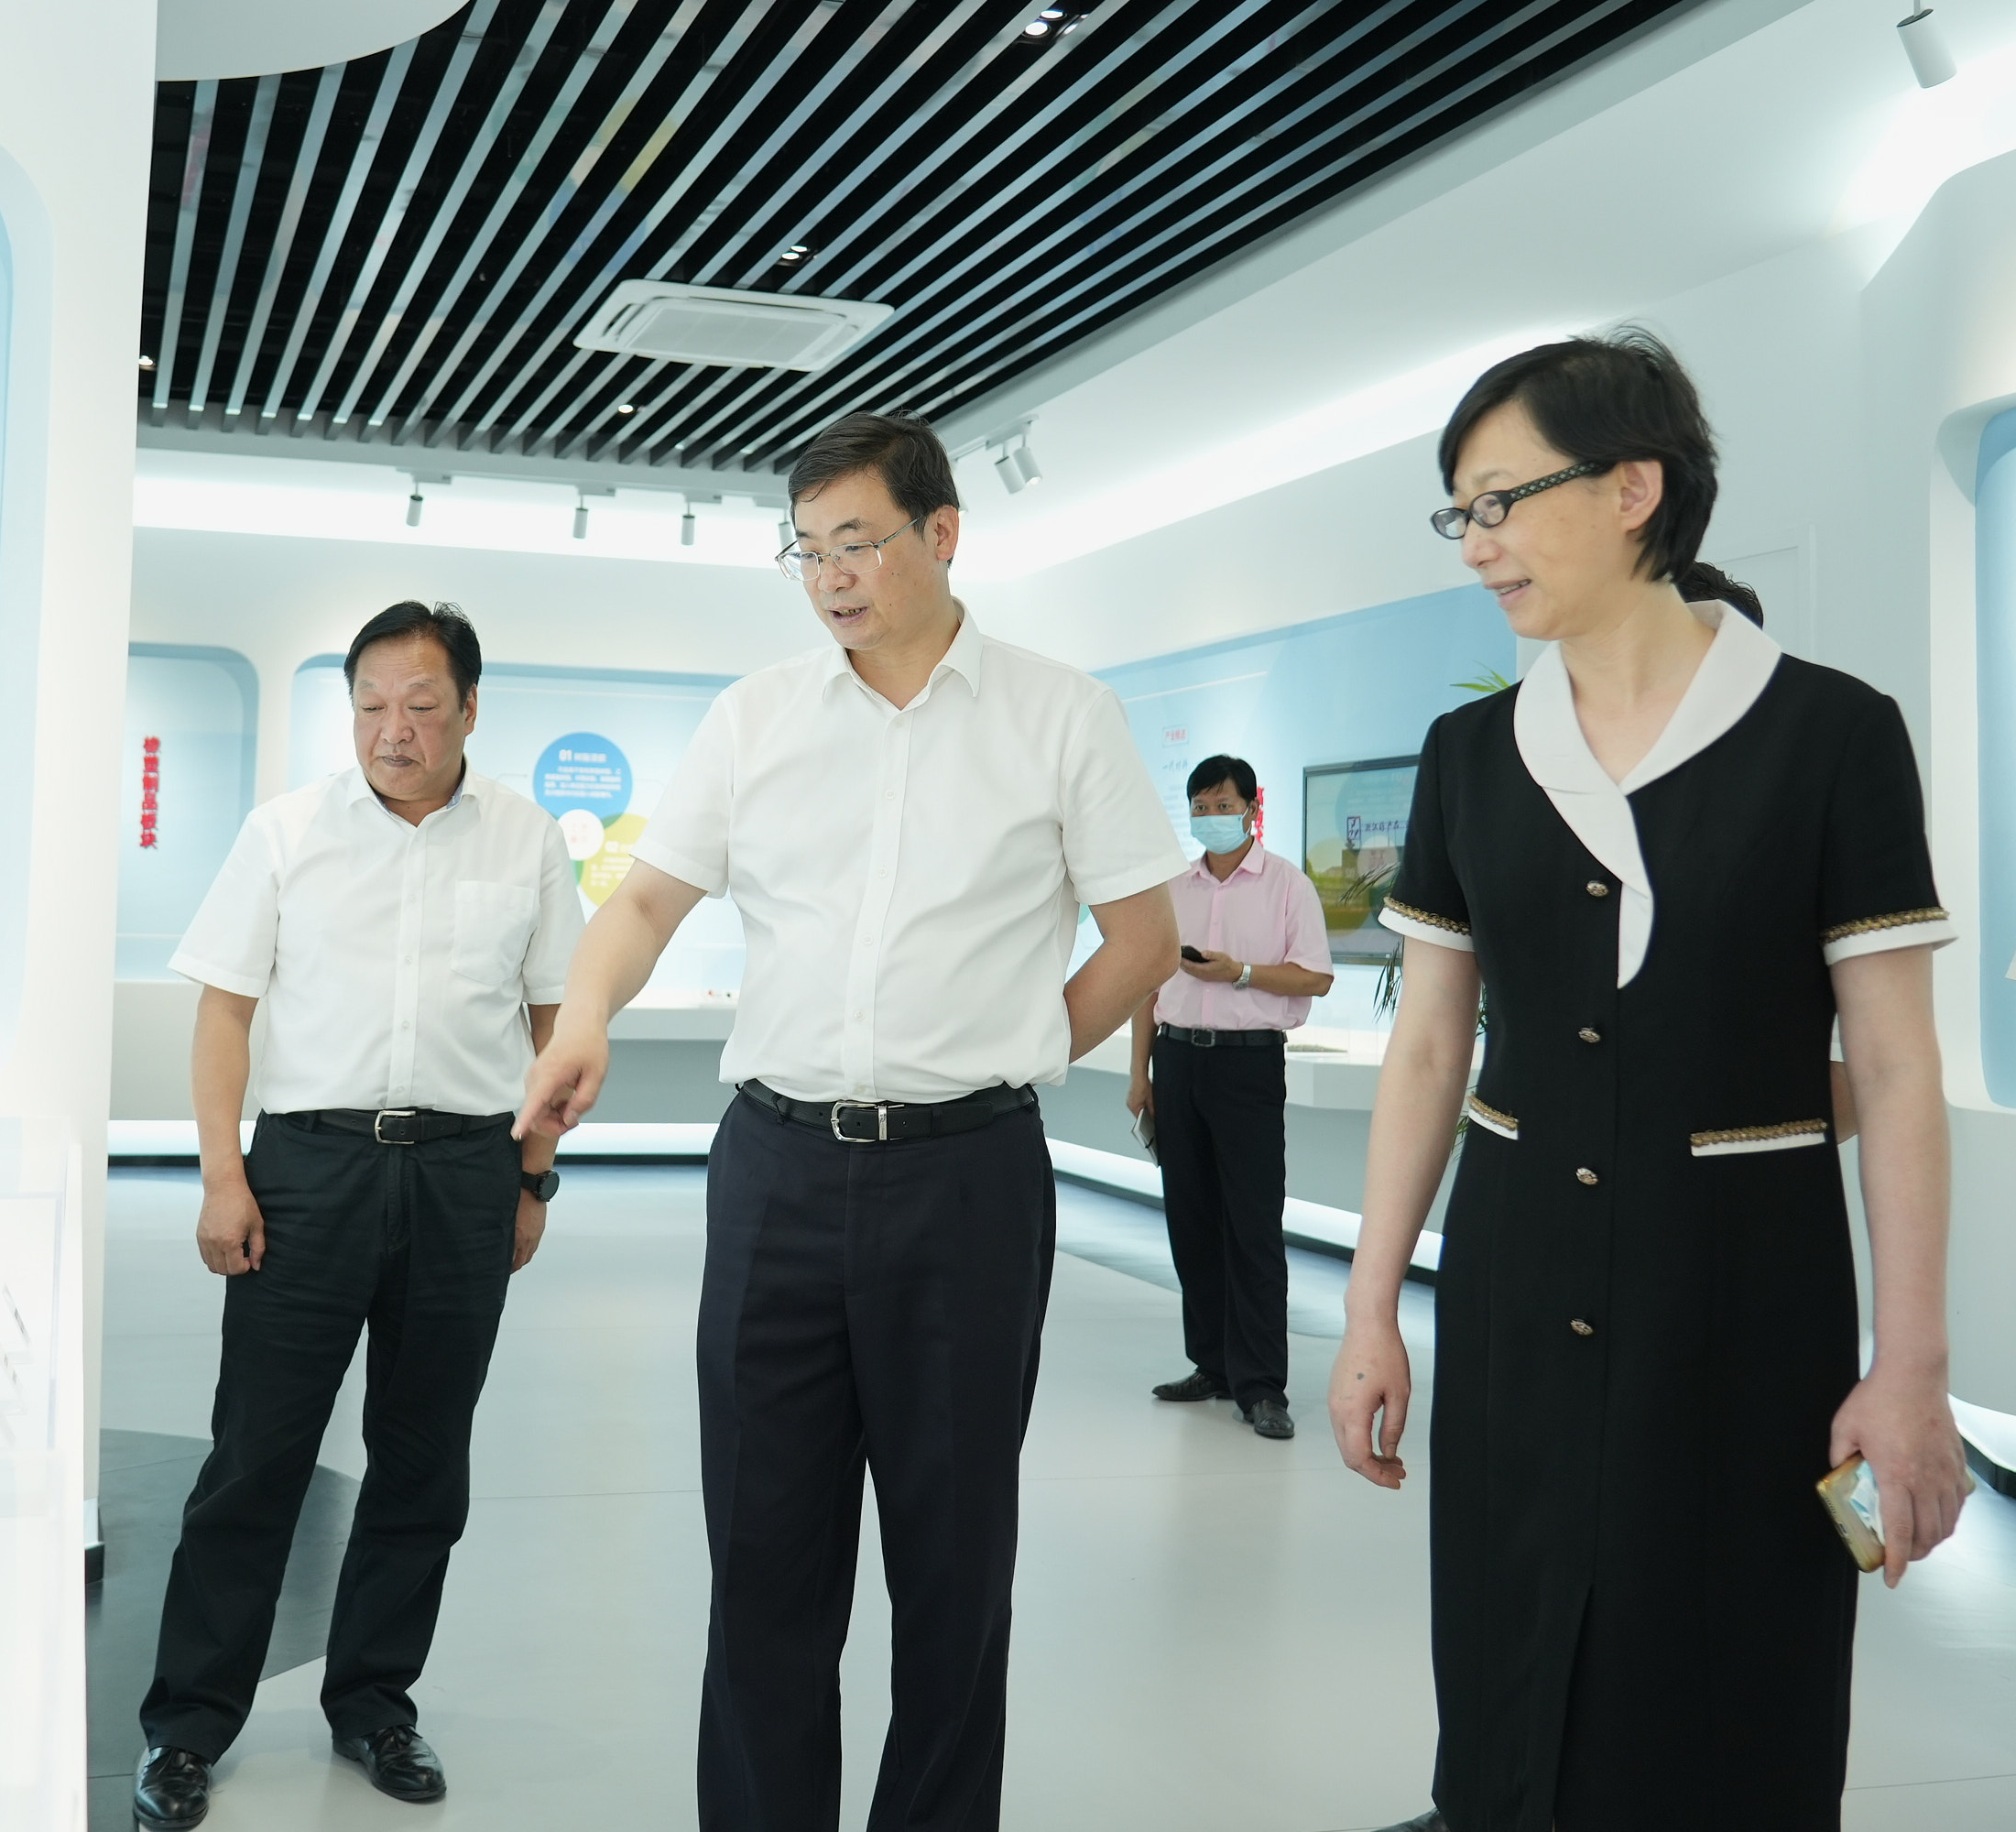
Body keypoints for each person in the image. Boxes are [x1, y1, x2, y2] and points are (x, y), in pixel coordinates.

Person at [1329, 331, 1966, 1832]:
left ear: (1633, 489)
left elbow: (1894, 1065)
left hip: (1744, 1288)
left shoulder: (1831, 734)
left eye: (1502, 501)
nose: (1476, 544)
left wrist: (1913, 1368)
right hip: (1515, 1270)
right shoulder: (1471, 753)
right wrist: (1369, 1310)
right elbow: (1430, 1046)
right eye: (1461, 511)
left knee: (1730, 1655)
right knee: (1509, 1636)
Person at [515, 413, 1183, 1831]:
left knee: (955, 1565)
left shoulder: (1060, 714)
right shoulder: (756, 716)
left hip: (968, 1184)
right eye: (807, 551)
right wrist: (583, 1020)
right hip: (776, 1174)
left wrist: (1010, 1055)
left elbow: (1143, 938)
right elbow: (646, 899)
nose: (830, 577)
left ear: (943, 535)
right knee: (763, 1557)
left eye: (858, 543)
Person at [132, 602, 583, 1830]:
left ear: (469, 709)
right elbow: (225, 1011)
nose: (395, 728)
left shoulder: (528, 839)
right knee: (255, 1456)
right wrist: (223, 1175)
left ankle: (376, 1702)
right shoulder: (286, 833)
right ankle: (187, 1725)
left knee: (424, 1462)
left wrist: (532, 1176)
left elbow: (556, 1020)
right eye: (373, 704)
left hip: (465, 1171)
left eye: (422, 704)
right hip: (309, 1169)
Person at [1127, 754, 1334, 1440]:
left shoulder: (1287, 885)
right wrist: (1140, 1074)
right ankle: (1212, 1364)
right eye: (1201, 806)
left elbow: (1315, 978)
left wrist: (1239, 973)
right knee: (1190, 1220)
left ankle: (1262, 1385)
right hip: (1177, 1060)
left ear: (1252, 809)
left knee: (1252, 1225)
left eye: (1224, 805)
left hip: (1248, 1066)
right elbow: (1147, 985)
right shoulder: (1173, 888)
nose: (1212, 817)